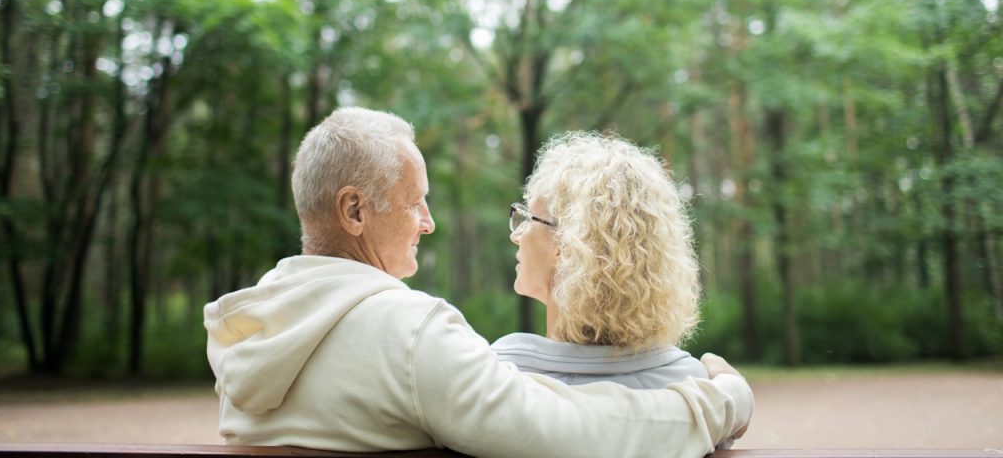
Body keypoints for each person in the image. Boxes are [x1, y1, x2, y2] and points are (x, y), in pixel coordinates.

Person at [204, 107, 752, 458]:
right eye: (415, 201)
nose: (429, 221)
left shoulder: (251, 332)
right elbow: (573, 432)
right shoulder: (410, 336)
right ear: (354, 211)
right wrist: (720, 401)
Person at [492, 132, 709, 390]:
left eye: (528, 218)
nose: (516, 235)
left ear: (567, 243)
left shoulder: (505, 376)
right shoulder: (692, 383)